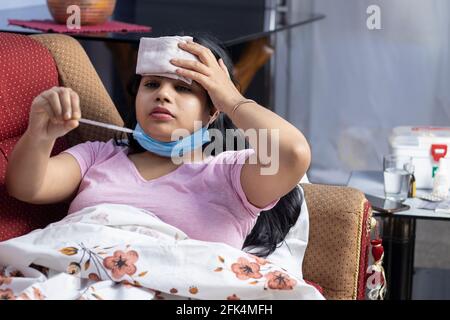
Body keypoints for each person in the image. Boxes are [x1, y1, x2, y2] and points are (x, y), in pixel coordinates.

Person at [5, 34, 311, 258]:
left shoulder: (232, 173)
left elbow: (293, 154)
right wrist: (40, 133)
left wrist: (231, 98)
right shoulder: (99, 154)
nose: (163, 95)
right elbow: (27, 187)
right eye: (151, 84)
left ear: (212, 110)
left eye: (182, 88)